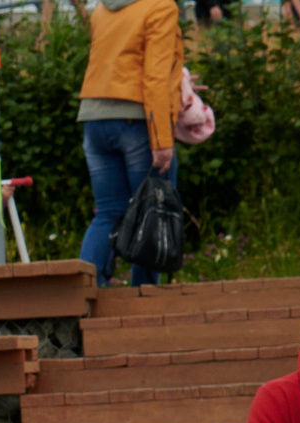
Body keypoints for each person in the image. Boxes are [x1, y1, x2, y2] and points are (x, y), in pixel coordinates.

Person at [78, 0, 186, 286]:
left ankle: (83, 295)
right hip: (136, 119)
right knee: (155, 211)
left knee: (108, 212)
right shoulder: (160, 6)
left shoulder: (103, 7)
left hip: (94, 116)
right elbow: (154, 76)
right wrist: (162, 138)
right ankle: (145, 301)